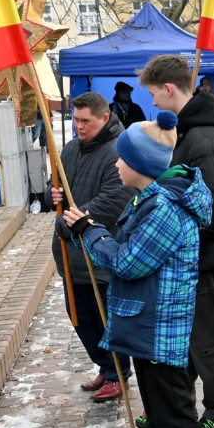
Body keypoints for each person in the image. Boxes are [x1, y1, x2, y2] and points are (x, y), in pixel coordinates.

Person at [63, 111, 211, 428]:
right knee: (159, 408)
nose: (115, 164)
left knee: (175, 412)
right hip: (146, 323)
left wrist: (90, 234)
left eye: (122, 158)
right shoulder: (147, 198)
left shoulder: (163, 207)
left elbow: (129, 261)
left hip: (161, 326)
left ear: (141, 166)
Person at [139, 54, 214, 428]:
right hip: (197, 252)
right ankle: (176, 404)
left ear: (169, 89)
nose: (153, 102)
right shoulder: (192, 129)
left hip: (205, 252)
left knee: (209, 333)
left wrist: (176, 230)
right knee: (187, 333)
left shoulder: (201, 136)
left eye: (154, 94)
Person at [43, 91, 134, 402]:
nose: (79, 127)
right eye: (76, 120)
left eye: (86, 121)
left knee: (107, 321)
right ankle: (105, 366)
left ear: (104, 118)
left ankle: (118, 373)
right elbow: (56, 187)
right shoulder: (70, 149)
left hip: (101, 256)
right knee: (80, 318)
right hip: (72, 258)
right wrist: (51, 195)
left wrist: (65, 224)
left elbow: (111, 203)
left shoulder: (117, 152)